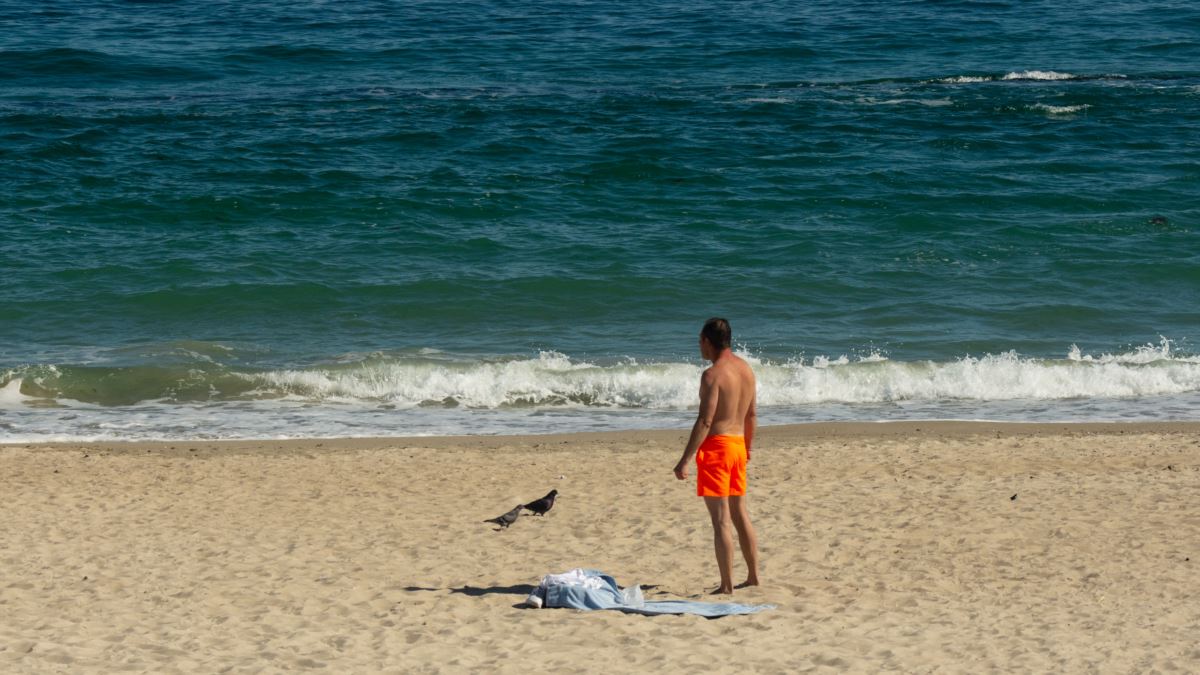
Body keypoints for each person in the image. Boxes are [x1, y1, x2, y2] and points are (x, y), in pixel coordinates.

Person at [673, 317, 760, 594]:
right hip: (737, 446)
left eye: (700, 341)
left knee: (721, 519)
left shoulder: (712, 375)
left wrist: (685, 459)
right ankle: (753, 576)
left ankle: (726, 585)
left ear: (708, 342)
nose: (699, 346)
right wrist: (747, 447)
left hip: (717, 449)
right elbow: (751, 415)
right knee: (739, 514)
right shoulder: (746, 369)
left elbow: (705, 421)